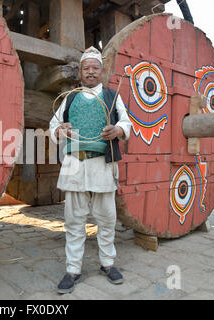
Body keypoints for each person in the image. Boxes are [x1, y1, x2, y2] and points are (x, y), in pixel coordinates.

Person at [49, 46, 132, 294]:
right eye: (87, 68)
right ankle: (72, 269)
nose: (91, 72)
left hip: (102, 163)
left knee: (106, 218)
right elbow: (53, 125)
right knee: (74, 220)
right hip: (75, 164)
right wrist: (59, 130)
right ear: (81, 72)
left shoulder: (111, 96)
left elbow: (126, 122)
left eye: (95, 68)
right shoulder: (70, 98)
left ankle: (108, 264)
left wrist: (118, 130)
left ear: (101, 71)